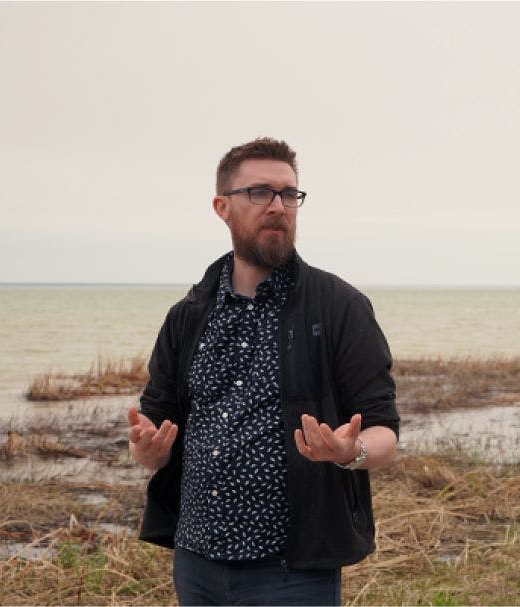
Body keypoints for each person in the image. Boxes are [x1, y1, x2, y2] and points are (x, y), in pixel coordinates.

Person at [126, 137, 400, 606]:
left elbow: (384, 432)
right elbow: (156, 425)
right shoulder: (188, 314)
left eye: (289, 194)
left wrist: (347, 451)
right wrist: (148, 450)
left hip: (292, 573)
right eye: (260, 193)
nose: (278, 206)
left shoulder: (339, 307)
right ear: (222, 206)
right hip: (195, 564)